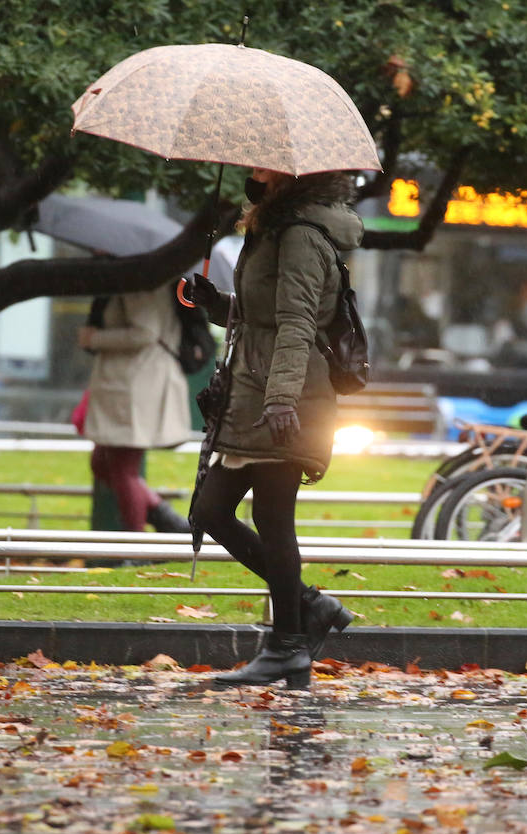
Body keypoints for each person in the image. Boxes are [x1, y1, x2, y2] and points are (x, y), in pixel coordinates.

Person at [183, 167, 362, 689]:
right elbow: (266, 312)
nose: (253, 171)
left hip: (287, 396)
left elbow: (298, 322)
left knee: (271, 517)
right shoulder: (275, 228)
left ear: (293, 174)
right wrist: (217, 305)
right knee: (212, 509)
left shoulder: (303, 234)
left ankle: (287, 645)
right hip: (257, 391)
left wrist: (282, 398)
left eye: (265, 165)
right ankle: (308, 608)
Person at [78, 283, 193, 534]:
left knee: (122, 467)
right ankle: (165, 518)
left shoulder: (140, 282)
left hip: (136, 384)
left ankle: (134, 544)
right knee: (103, 462)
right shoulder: (139, 275)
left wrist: (94, 338)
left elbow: (145, 332)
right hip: (133, 383)